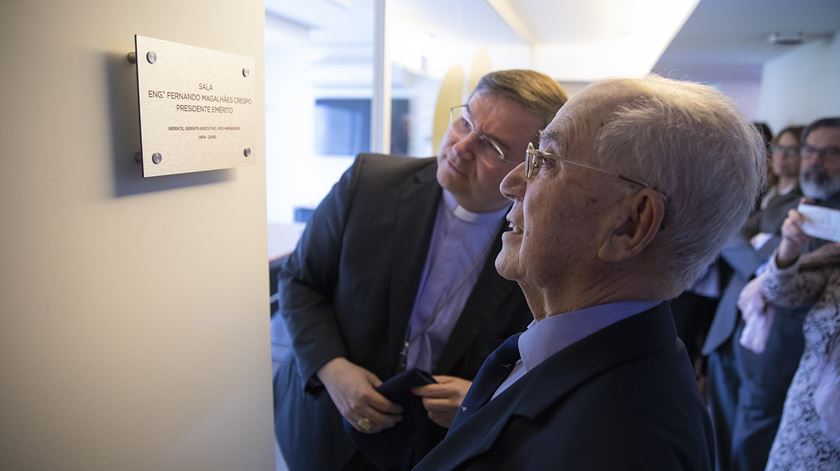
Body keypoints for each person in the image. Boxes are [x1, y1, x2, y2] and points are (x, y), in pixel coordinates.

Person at [414, 75, 766, 470]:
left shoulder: (621, 446)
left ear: (630, 224)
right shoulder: (579, 358)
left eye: (545, 162)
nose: (512, 183)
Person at [273, 69, 568, 470]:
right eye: (465, 120)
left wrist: (485, 398)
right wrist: (332, 368)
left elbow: (546, 360)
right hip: (327, 423)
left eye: (492, 147)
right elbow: (299, 281)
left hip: (436, 447)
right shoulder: (369, 183)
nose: (461, 146)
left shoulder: (542, 245)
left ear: (529, 168)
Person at [701, 125, 805, 471]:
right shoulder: (769, 196)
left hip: (767, 332)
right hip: (730, 321)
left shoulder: (806, 203)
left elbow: (788, 257)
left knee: (749, 434)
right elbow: (729, 234)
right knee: (719, 426)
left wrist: (768, 253)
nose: (782, 157)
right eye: (780, 149)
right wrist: (767, 257)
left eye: (793, 150)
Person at [760, 117, 840, 470]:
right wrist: (790, 248)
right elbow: (780, 289)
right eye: (810, 151)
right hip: (809, 412)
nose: (816, 161)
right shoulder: (806, 211)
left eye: (830, 153)